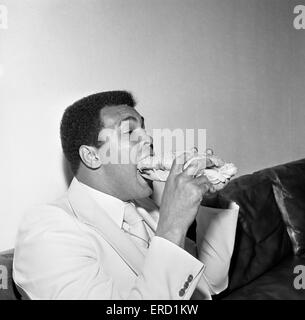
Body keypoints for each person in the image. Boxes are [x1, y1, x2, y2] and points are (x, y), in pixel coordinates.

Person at [13, 91, 239, 300]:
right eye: (129, 132)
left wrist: (209, 199)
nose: (149, 140)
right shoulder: (46, 231)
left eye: (144, 129)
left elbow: (209, 284)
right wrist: (173, 227)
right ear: (92, 156)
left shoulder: (143, 207)